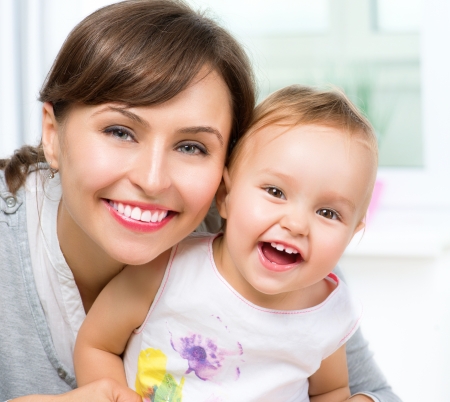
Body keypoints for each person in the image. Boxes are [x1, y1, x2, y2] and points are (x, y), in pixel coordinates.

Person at [0, 1, 400, 401]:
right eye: (120, 132)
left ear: (227, 170)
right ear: (52, 135)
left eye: (192, 146)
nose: (152, 180)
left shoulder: (281, 256)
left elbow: (369, 393)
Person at [74, 85, 376, 401]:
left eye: (328, 212)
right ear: (225, 196)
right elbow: (97, 344)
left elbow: (331, 390)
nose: (296, 224)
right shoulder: (167, 270)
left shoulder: (327, 312)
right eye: (275, 192)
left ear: (353, 233)